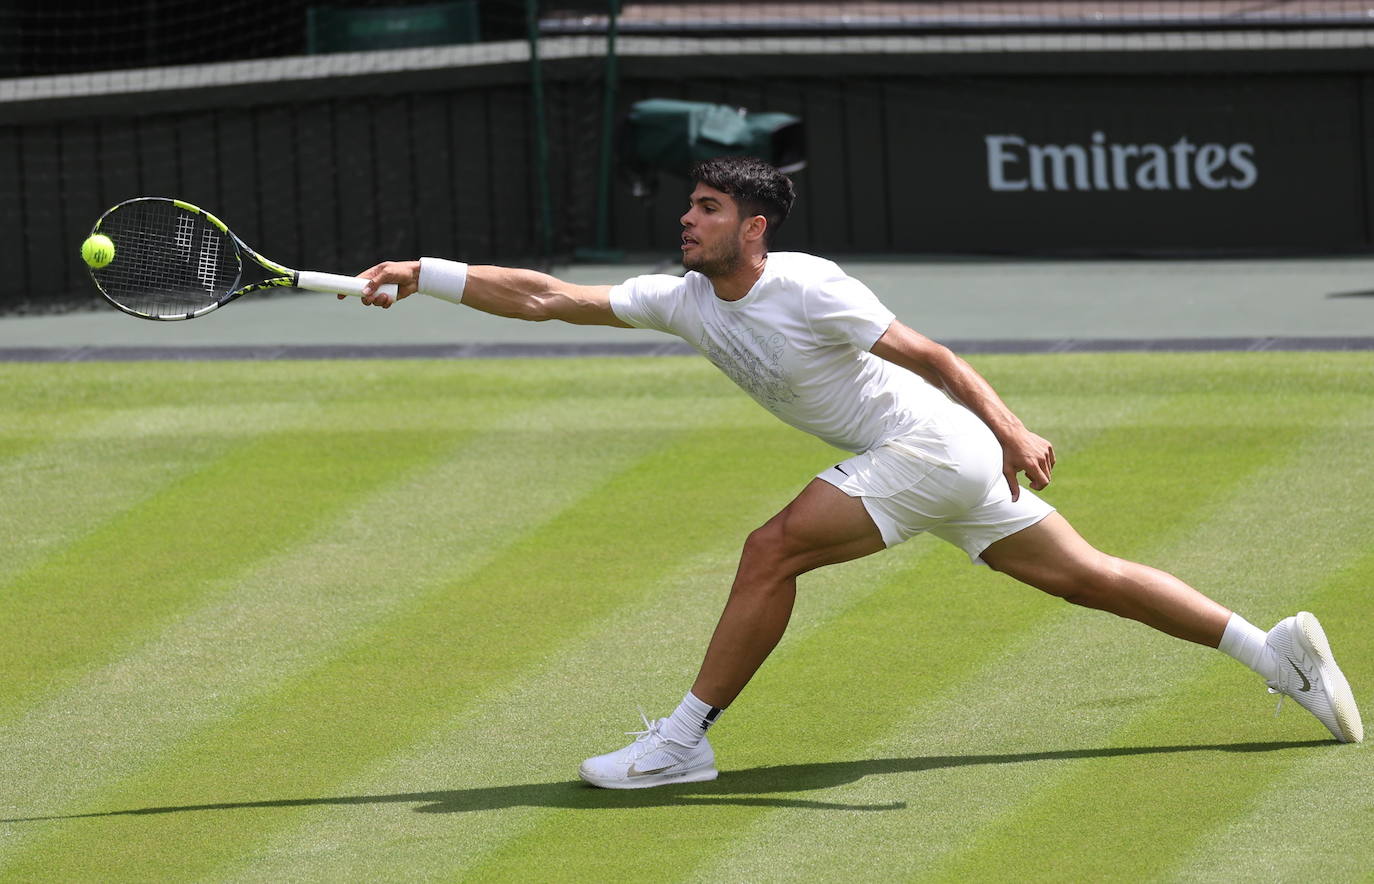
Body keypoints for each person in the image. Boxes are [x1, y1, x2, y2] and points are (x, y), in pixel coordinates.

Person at [346, 156, 1363, 789]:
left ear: (752, 227)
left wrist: (1011, 428)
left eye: (704, 209)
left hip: (929, 445)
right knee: (1089, 575)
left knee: (770, 549)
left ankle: (684, 738)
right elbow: (544, 297)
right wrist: (423, 273)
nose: (685, 220)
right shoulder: (683, 298)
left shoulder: (810, 287)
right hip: (938, 461)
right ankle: (1274, 651)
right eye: (687, 208)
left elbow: (930, 356)